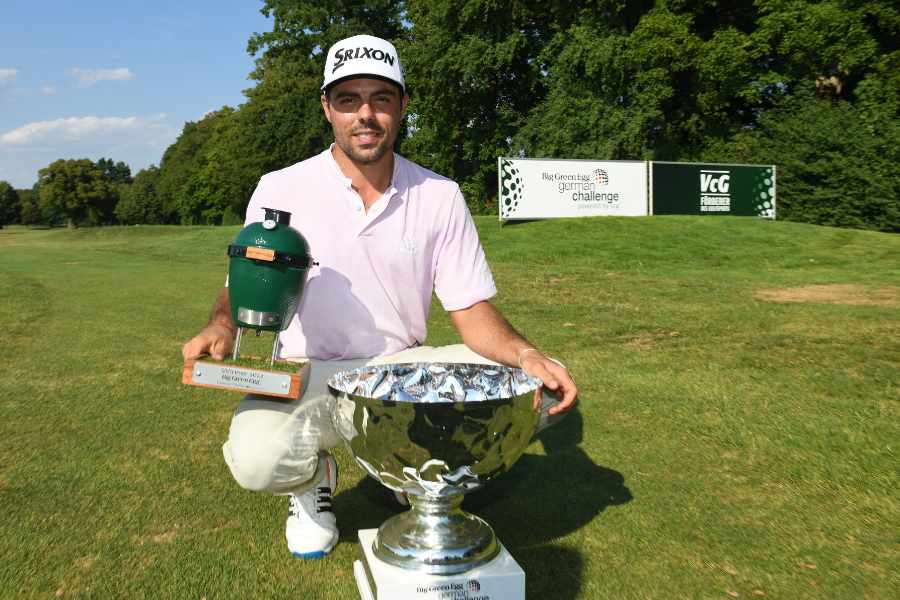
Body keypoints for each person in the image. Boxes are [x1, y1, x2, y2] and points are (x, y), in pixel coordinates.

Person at [181, 34, 578, 559]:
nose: (365, 115)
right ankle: (310, 483)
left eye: (380, 99)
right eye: (348, 100)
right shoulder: (280, 187)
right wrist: (221, 327)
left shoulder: (439, 195)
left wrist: (528, 355)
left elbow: (472, 311)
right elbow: (244, 287)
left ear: (402, 106)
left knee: (539, 387)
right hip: (307, 373)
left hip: (398, 371)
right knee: (259, 461)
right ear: (327, 108)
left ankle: (409, 470)